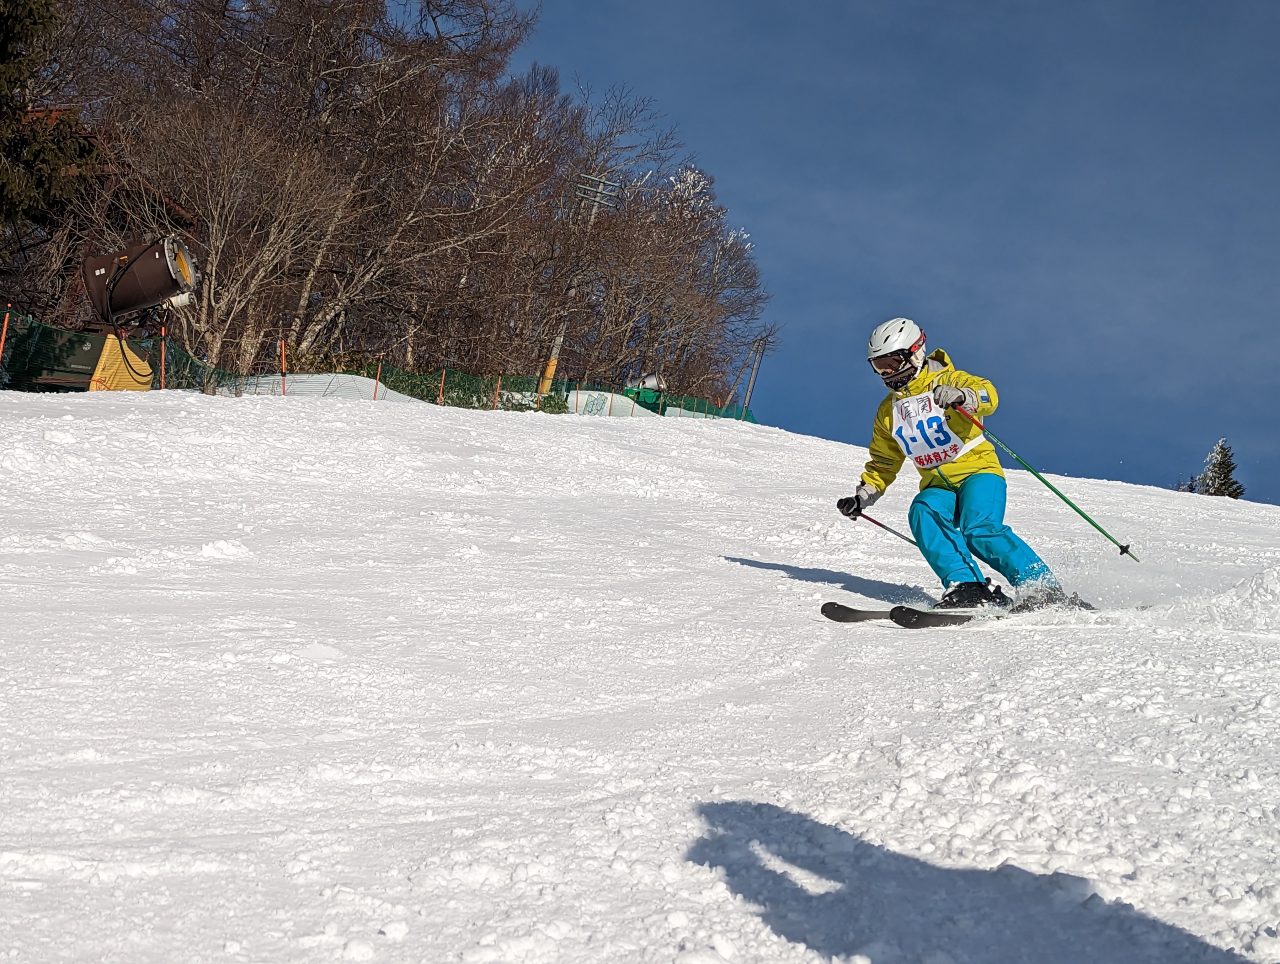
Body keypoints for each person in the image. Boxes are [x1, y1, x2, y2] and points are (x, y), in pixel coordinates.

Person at [837, 317, 1070, 611]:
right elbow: (884, 460)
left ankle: (1041, 587)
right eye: (879, 366)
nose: (887, 373)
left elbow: (988, 394)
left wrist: (964, 396)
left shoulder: (949, 380)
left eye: (893, 362)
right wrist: (863, 495)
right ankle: (968, 586)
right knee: (923, 510)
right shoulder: (888, 411)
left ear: (915, 352)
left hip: (978, 471)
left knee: (979, 528)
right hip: (938, 484)